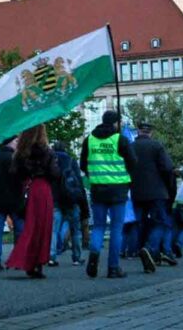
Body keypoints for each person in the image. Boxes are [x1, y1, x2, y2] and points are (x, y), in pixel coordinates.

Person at [80, 111, 137, 279]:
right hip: (118, 190)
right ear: (116, 123)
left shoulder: (89, 140)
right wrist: (126, 176)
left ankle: (94, 254)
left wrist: (95, 176)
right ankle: (113, 267)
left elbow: (83, 164)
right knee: (116, 228)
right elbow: (133, 162)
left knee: (98, 227)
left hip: (98, 188)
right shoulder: (120, 139)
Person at [6, 125, 59, 279]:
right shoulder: (47, 152)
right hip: (42, 189)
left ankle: (25, 260)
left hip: (27, 188)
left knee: (30, 227)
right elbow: (55, 173)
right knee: (43, 228)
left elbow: (14, 173)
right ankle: (38, 263)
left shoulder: (21, 153)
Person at [130, 122, 176, 270]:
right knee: (160, 222)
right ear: (151, 133)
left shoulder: (130, 147)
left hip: (137, 192)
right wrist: (169, 188)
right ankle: (150, 249)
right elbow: (168, 168)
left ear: (138, 132)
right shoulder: (157, 146)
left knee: (140, 223)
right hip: (157, 192)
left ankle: (143, 252)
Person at [0, 135, 24, 272]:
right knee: (19, 230)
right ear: (9, 143)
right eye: (16, 141)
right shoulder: (14, 159)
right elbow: (18, 179)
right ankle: (17, 260)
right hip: (14, 200)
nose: (17, 143)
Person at [49, 141, 86, 267]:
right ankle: (76, 257)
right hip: (71, 199)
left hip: (55, 200)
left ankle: (52, 257)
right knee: (75, 230)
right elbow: (78, 182)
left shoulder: (51, 161)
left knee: (53, 230)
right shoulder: (71, 161)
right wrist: (82, 201)